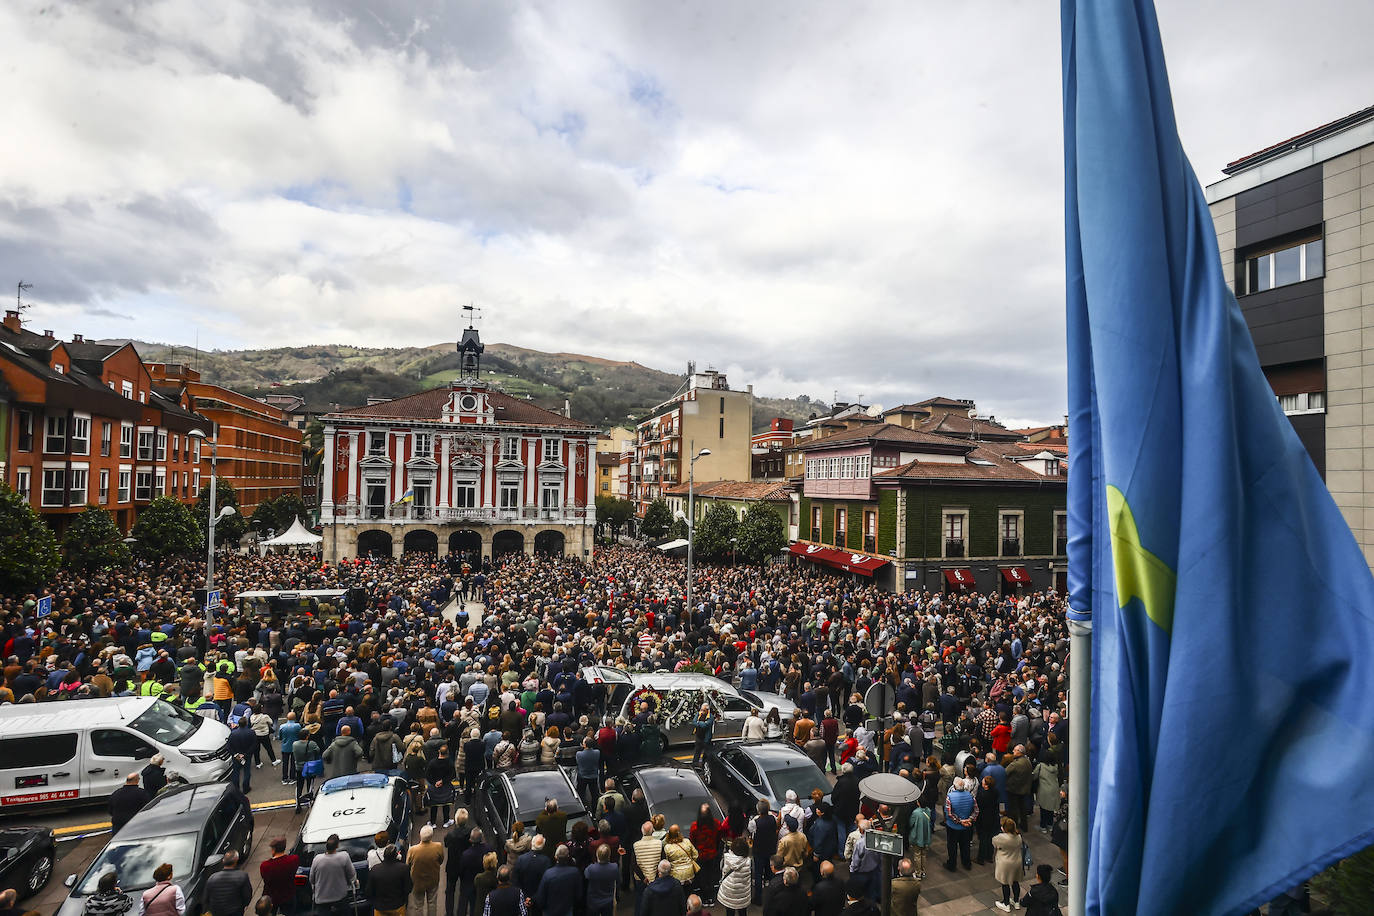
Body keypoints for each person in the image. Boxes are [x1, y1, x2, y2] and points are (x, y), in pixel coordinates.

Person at [309, 834, 358, 916]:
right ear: (337, 845)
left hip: (322, 900)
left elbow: (312, 879)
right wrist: (353, 881)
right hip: (340, 898)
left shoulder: (317, 859)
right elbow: (352, 875)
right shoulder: (344, 857)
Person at [408, 824, 445, 916]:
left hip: (417, 882)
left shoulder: (413, 850)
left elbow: (408, 864)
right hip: (432, 879)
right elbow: (441, 860)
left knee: (418, 905)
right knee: (432, 903)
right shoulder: (438, 846)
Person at [533, 846, 581, 916]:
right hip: (567, 910)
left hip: (550, 912)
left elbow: (541, 897)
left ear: (555, 857)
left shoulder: (548, 874)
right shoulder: (575, 872)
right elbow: (578, 895)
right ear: (568, 857)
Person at [258, 837, 300, 916]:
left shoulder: (265, 865)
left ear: (273, 849)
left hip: (272, 898)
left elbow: (265, 879)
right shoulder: (294, 860)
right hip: (288, 895)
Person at [204, 851, 253, 916]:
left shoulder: (212, 878)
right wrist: (241, 907)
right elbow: (247, 897)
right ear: (236, 861)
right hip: (236, 912)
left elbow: (206, 899)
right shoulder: (242, 876)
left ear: (223, 861)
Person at [942, 779, 976, 872]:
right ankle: (966, 863)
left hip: (953, 827)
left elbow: (949, 813)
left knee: (952, 846)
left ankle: (952, 865)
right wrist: (969, 819)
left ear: (954, 786)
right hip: (967, 826)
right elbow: (976, 810)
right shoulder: (970, 795)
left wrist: (960, 821)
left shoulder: (950, 797)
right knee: (965, 845)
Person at [368, 845, 412, 916]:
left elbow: (369, 891)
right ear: (395, 855)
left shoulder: (374, 869)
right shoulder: (403, 868)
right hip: (398, 906)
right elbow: (408, 888)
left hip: (380, 907)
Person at [748, 800, 778, 905]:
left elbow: (750, 831)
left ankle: (758, 899)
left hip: (759, 851)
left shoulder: (754, 822)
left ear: (758, 810)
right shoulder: (773, 818)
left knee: (758, 874)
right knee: (770, 872)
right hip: (771, 849)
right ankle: (773, 896)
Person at [632, 822, 664, 916]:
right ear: (652, 831)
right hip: (656, 879)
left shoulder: (636, 845)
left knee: (641, 900)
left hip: (641, 880)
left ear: (642, 831)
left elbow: (634, 865)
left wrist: (643, 878)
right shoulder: (659, 843)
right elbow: (662, 861)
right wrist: (655, 876)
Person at [992, 817, 1023, 912]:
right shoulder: (1018, 836)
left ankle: (1006, 903)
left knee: (1005, 883)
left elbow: (994, 842)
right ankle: (1016, 901)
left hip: (1005, 863)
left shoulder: (1000, 838)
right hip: (1017, 861)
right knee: (1015, 882)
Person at [715, 837, 751, 916]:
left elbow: (723, 871)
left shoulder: (727, 858)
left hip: (729, 890)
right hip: (742, 892)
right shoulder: (748, 861)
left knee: (729, 912)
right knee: (743, 912)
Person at [584, 843, 620, 916]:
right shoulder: (614, 867)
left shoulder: (591, 869)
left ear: (597, 855)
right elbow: (618, 880)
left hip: (593, 901)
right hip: (608, 901)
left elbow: (586, 875)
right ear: (609, 855)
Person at [974, 775, 1001, 867]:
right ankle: (989, 856)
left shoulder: (982, 794)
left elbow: (978, 806)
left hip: (983, 818)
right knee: (990, 837)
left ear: (986, 785)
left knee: (983, 838)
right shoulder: (995, 792)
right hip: (993, 817)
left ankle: (980, 858)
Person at [228, 719, 258, 793]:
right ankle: (246, 788)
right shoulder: (251, 732)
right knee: (247, 771)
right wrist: (246, 754)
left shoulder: (233, 733)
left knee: (236, 772)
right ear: (246, 723)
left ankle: (236, 789)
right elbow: (254, 745)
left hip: (237, 756)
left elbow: (229, 746)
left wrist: (236, 754)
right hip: (246, 755)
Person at [905, 804, 932, 880]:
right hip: (926, 836)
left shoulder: (916, 812)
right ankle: (923, 871)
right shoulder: (928, 810)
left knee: (917, 855)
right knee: (923, 854)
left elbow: (911, 823)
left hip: (918, 837)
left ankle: (918, 873)